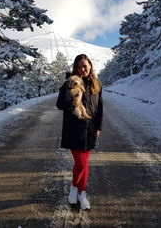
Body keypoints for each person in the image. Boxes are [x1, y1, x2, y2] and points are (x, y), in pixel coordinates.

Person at [56, 54, 103, 210]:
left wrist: (98, 127)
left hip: (89, 130)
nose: (83, 69)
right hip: (74, 129)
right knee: (82, 163)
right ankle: (82, 192)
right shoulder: (68, 84)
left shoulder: (97, 85)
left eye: (85, 65)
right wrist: (72, 99)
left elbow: (100, 109)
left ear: (90, 65)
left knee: (81, 164)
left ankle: (75, 189)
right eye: (79, 66)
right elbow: (59, 104)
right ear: (75, 68)